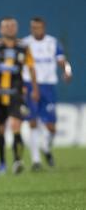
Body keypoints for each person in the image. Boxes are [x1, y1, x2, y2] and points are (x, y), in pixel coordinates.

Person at [0, 17, 39, 175]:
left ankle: (18, 161)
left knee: (16, 126)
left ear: (17, 28)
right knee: (0, 129)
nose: (10, 29)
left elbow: (31, 69)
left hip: (16, 92)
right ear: (0, 29)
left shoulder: (23, 47)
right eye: (6, 26)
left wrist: (34, 88)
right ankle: (2, 163)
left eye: (12, 26)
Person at [22, 17, 72, 170]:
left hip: (48, 86)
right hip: (30, 85)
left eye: (38, 27)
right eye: (33, 27)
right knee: (33, 122)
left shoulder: (53, 43)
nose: (35, 30)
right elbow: (19, 65)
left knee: (51, 127)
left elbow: (62, 61)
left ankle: (46, 148)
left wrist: (67, 71)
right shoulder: (25, 44)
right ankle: (36, 161)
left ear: (44, 27)